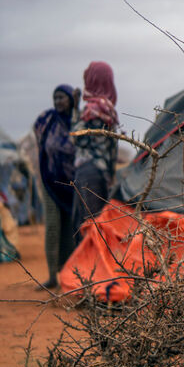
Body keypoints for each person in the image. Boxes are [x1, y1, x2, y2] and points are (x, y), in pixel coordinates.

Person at [33, 84, 78, 289]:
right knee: (52, 227)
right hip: (50, 181)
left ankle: (68, 275)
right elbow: (40, 139)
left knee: (70, 229)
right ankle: (52, 275)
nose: (58, 101)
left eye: (62, 97)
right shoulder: (48, 120)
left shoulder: (77, 121)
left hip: (71, 185)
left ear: (70, 99)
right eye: (55, 97)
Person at [70, 62, 118, 242]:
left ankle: (87, 269)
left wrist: (75, 111)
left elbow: (77, 138)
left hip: (88, 173)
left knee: (86, 226)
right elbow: (112, 150)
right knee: (96, 222)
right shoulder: (108, 108)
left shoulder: (93, 109)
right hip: (101, 173)